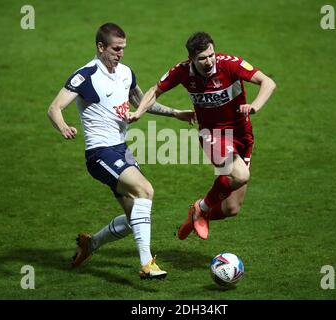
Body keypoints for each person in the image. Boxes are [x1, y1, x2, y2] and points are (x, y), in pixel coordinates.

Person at [47, 23, 194, 279]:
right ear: (100, 47)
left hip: (120, 150)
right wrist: (63, 127)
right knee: (145, 190)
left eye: (124, 48)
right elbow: (54, 108)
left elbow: (143, 102)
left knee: (133, 218)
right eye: (116, 49)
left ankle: (90, 244)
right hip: (99, 153)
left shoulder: (126, 73)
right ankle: (147, 264)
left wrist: (175, 113)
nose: (121, 53)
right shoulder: (85, 75)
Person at [126, 32, 276, 240]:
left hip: (242, 135)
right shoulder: (182, 71)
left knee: (231, 208)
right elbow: (154, 91)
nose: (209, 61)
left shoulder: (230, 64)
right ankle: (201, 208)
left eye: (211, 55)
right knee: (241, 175)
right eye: (202, 58)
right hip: (212, 134)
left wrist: (254, 106)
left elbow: (268, 82)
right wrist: (138, 112)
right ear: (191, 59)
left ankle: (196, 216)